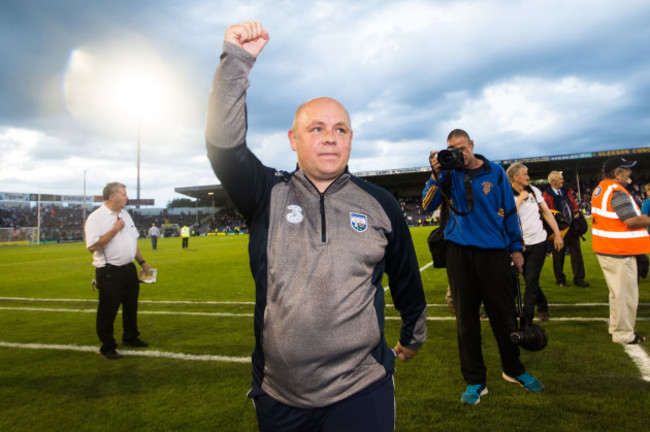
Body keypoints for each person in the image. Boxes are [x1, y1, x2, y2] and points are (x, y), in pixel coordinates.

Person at [205, 21, 427, 431]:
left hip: (363, 389)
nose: (330, 138)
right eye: (317, 128)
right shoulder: (265, 194)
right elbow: (223, 145)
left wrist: (412, 336)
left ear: (351, 138)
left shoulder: (380, 204)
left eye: (340, 129)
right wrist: (237, 61)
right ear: (293, 138)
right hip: (280, 395)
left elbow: (407, 280)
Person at [422, 129, 544, 405]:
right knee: (466, 320)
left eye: (462, 147)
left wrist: (516, 248)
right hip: (459, 254)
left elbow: (509, 211)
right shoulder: (448, 173)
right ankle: (475, 381)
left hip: (493, 253)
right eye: (452, 148)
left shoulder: (496, 172)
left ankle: (513, 370)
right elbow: (427, 205)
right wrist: (435, 174)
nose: (458, 153)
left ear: (472, 145)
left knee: (504, 316)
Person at [84, 182, 151, 360]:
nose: (127, 197)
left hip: (129, 269)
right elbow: (92, 246)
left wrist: (142, 262)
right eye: (124, 194)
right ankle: (107, 346)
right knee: (108, 310)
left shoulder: (126, 215)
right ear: (112, 197)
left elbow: (133, 242)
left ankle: (130, 336)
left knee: (131, 305)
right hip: (109, 271)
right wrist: (114, 230)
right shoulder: (96, 218)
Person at [591, 157, 650, 344]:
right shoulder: (617, 191)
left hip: (607, 248)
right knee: (625, 294)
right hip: (619, 250)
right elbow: (631, 220)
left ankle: (617, 328)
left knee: (617, 293)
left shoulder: (603, 188)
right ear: (617, 173)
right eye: (626, 169)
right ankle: (624, 334)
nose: (630, 172)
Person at [507, 163, 564, 324]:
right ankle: (543, 305)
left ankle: (527, 316)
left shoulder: (534, 191)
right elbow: (508, 217)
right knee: (529, 278)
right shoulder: (505, 193)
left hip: (538, 242)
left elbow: (547, 213)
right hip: (518, 246)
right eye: (525, 174)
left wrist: (558, 235)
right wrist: (520, 201)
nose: (528, 177)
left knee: (531, 279)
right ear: (516, 177)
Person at [543, 171, 590, 287]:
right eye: (560, 179)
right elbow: (546, 214)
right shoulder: (546, 196)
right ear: (553, 181)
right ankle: (560, 280)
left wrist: (576, 212)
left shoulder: (566, 192)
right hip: (558, 231)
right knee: (558, 257)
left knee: (577, 254)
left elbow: (573, 205)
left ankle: (579, 279)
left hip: (572, 229)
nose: (563, 180)